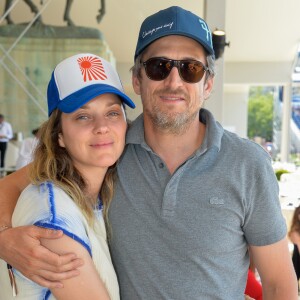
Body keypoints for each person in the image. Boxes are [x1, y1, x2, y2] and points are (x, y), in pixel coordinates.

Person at [0, 6, 297, 300]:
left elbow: (278, 287)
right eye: (159, 66)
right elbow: (15, 186)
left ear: (207, 84)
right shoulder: (109, 149)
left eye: (190, 69)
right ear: (138, 80)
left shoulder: (247, 163)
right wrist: (3, 240)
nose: (174, 81)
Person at [0, 53, 135, 299]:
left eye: (113, 113)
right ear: (59, 135)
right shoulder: (55, 220)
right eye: (83, 116)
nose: (101, 126)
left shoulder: (96, 191)